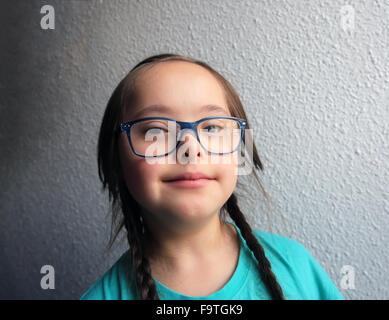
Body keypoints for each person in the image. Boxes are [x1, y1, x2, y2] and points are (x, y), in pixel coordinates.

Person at [80, 53, 344, 300]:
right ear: (116, 159)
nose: (190, 148)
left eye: (212, 127)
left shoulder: (296, 266)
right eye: (156, 130)